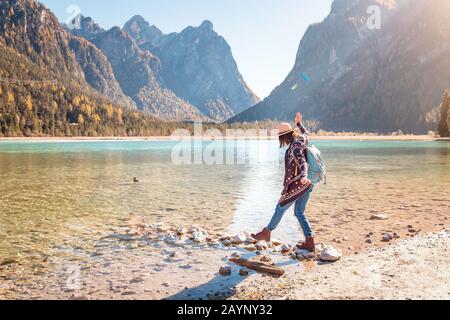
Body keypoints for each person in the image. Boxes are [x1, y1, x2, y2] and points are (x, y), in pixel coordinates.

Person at [252, 112, 316, 251]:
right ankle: (309, 241)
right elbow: (307, 134)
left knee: (280, 207)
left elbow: (303, 163)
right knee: (299, 212)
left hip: (301, 183)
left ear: (284, 136)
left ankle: (266, 232)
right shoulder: (300, 140)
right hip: (308, 184)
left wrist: (301, 178)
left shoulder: (294, 148)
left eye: (280, 137)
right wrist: (299, 123)